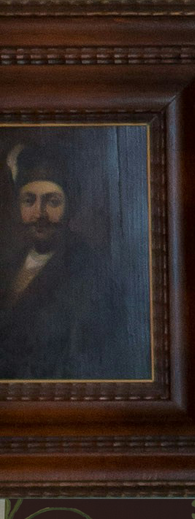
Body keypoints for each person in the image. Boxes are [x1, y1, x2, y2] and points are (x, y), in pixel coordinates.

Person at [0, 135, 149, 382]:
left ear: (69, 206)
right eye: (29, 200)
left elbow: (85, 364)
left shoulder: (90, 273)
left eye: (52, 201)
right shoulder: (7, 267)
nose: (39, 213)